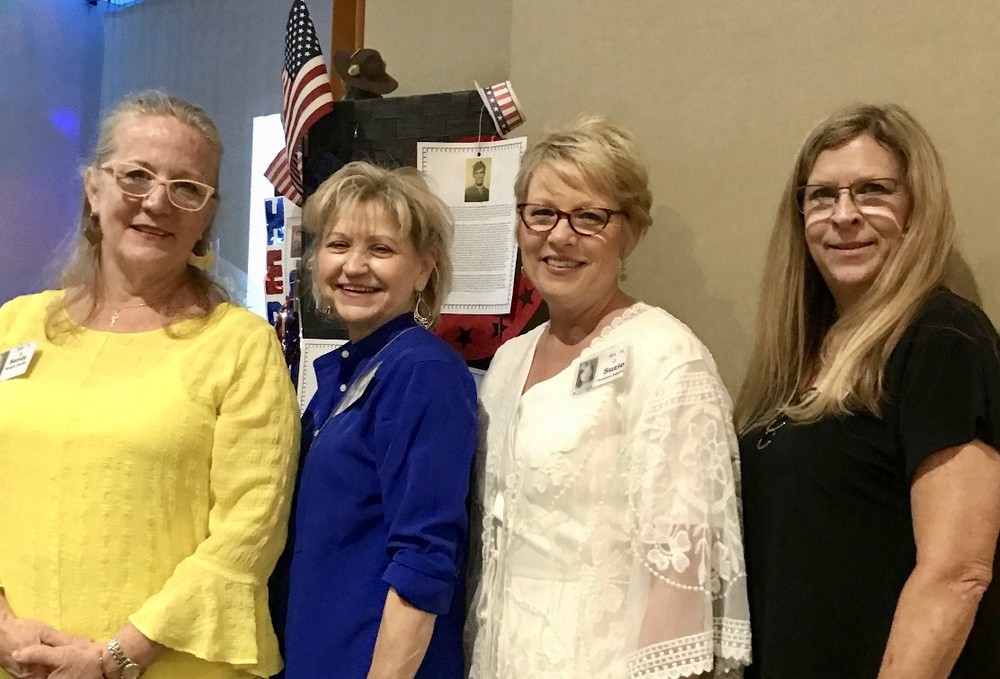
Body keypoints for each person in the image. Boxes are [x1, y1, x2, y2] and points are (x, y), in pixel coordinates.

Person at [0, 90, 299, 679]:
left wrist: (113, 659)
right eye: (135, 176)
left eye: (187, 188)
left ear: (207, 215)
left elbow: (247, 534)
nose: (157, 202)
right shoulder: (14, 325)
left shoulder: (240, 346)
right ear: (93, 189)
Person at [467, 117, 751, 678]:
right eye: (542, 213)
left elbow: (681, 584)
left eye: (589, 217)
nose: (559, 237)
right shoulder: (507, 362)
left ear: (632, 231)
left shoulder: (667, 360)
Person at [736, 103, 1000, 678]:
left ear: (917, 208)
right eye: (822, 196)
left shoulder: (943, 340)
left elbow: (957, 574)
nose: (844, 215)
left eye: (873, 191)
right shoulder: (797, 356)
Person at [278, 162, 478, 678]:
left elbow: (424, 561)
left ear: (423, 269)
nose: (354, 266)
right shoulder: (353, 371)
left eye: (381, 249)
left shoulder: (422, 371)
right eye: (339, 244)